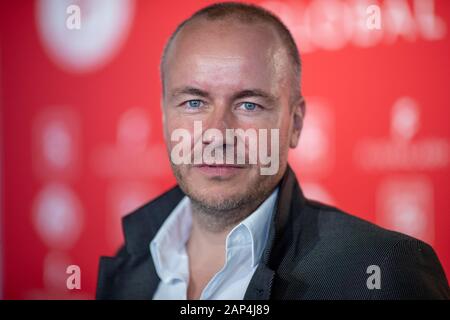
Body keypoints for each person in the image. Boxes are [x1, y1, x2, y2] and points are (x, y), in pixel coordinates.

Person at [96, 2, 449, 299]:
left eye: (249, 105)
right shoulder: (130, 263)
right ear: (164, 117)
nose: (217, 133)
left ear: (295, 124)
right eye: (193, 103)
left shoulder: (383, 271)